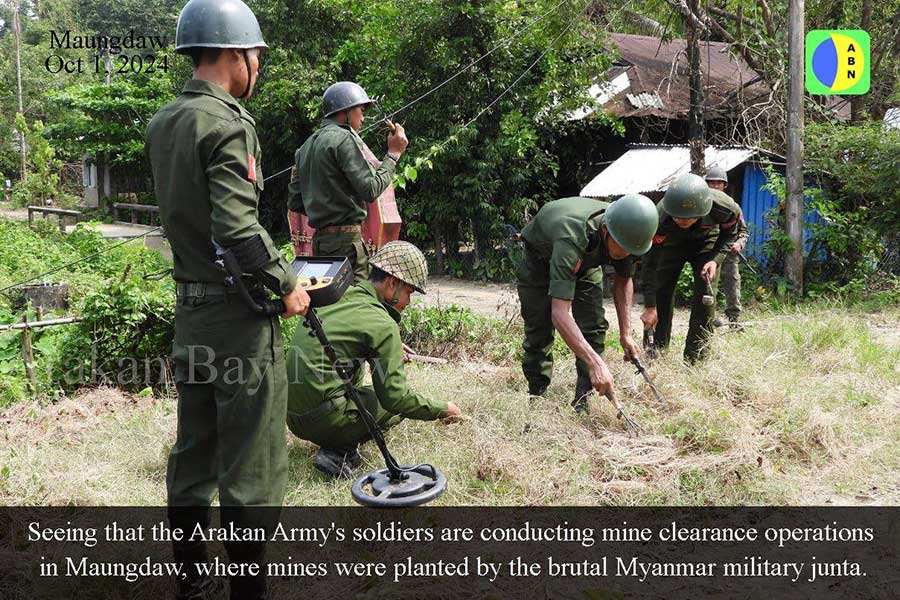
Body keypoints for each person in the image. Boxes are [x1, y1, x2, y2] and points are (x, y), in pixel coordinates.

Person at [145, 0, 309, 597]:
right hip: (238, 321)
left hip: (191, 313)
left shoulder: (165, 122)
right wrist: (288, 284)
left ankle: (191, 581)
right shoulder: (228, 122)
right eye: (256, 56)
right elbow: (238, 230)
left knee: (195, 451)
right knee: (252, 463)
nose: (258, 67)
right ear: (236, 53)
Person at [286, 241, 462, 478]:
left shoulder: (339, 294)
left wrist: (386, 349)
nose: (408, 302)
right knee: (395, 406)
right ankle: (339, 453)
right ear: (392, 283)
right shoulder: (382, 323)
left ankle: (336, 439)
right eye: (409, 292)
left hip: (292, 417)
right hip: (322, 420)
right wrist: (443, 410)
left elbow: (344, 338)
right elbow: (396, 398)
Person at [516, 194, 659, 412]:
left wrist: (626, 333)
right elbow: (559, 313)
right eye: (624, 249)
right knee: (539, 331)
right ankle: (537, 399)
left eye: (633, 251)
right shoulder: (572, 237)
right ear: (605, 231)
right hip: (541, 262)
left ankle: (583, 401)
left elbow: (623, 280)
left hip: (586, 261)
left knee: (593, 326)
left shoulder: (627, 234)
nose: (628, 255)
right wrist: (596, 363)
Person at [287, 81, 409, 281]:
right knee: (358, 303)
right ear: (345, 112)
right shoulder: (344, 139)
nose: (363, 117)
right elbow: (370, 189)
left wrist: (325, 206)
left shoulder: (305, 147)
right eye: (361, 110)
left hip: (319, 244)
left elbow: (295, 202)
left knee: (329, 302)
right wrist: (393, 154)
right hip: (346, 245)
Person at [640, 173, 748, 363]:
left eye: (687, 219)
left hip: (706, 245)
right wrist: (650, 304)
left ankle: (696, 358)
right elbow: (650, 264)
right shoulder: (658, 217)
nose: (681, 223)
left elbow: (731, 234)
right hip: (670, 246)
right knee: (661, 293)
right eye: (677, 218)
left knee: (706, 298)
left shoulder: (724, 207)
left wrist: (715, 260)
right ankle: (655, 350)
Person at [705, 165, 746, 328]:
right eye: (711, 183)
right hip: (709, 251)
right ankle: (709, 317)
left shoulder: (732, 206)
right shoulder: (702, 204)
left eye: (718, 183)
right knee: (708, 286)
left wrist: (739, 243)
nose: (715, 186)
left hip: (729, 251)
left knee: (732, 284)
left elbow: (744, 231)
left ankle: (734, 319)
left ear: (725, 186)